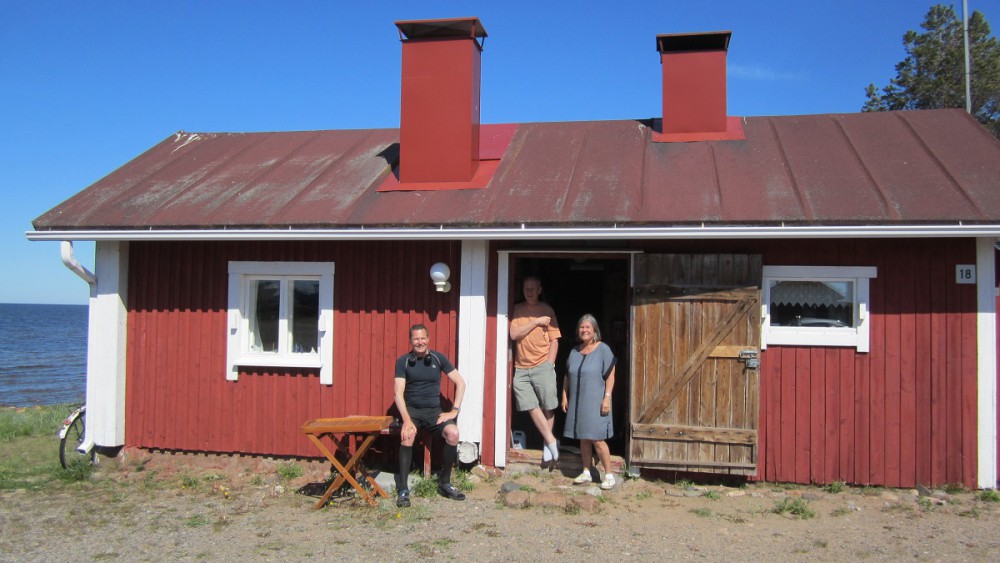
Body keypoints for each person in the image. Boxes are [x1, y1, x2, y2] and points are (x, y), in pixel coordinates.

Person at [394, 324, 467, 507]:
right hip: (413, 413)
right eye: (416, 339)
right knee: (408, 435)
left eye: (423, 338)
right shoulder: (403, 361)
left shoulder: (438, 358)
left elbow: (460, 382)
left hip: (434, 412)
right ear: (410, 341)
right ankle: (403, 489)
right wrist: (407, 420)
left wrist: (454, 410)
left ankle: (445, 482)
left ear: (428, 339)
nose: (420, 342)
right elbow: (398, 394)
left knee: (453, 433)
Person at [561, 314, 617, 490]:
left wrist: (607, 397)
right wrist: (564, 395)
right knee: (583, 437)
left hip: (596, 401)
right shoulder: (574, 352)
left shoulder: (603, 350)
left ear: (594, 331)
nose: (584, 330)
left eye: (588, 327)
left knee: (597, 439)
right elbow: (567, 376)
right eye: (581, 327)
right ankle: (586, 471)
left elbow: (611, 376)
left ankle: (609, 475)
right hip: (578, 401)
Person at [509, 276, 561, 465]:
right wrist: (536, 322)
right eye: (526, 287)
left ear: (539, 290)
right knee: (530, 405)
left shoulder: (547, 310)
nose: (529, 291)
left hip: (542, 365)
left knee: (548, 405)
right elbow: (514, 334)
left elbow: (555, 339)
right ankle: (552, 440)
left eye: (533, 288)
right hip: (521, 368)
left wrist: (549, 364)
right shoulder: (518, 309)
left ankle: (548, 445)